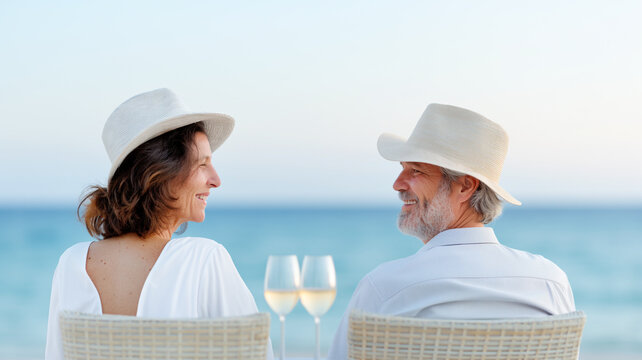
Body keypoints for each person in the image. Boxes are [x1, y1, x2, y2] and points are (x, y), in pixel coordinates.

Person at [328, 104, 575, 359]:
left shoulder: (384, 289)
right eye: (401, 168)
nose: (397, 184)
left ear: (465, 187)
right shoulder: (550, 284)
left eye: (416, 170)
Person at [45, 88, 273, 359]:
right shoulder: (204, 260)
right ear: (160, 173)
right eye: (202, 164)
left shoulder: (71, 265)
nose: (216, 179)